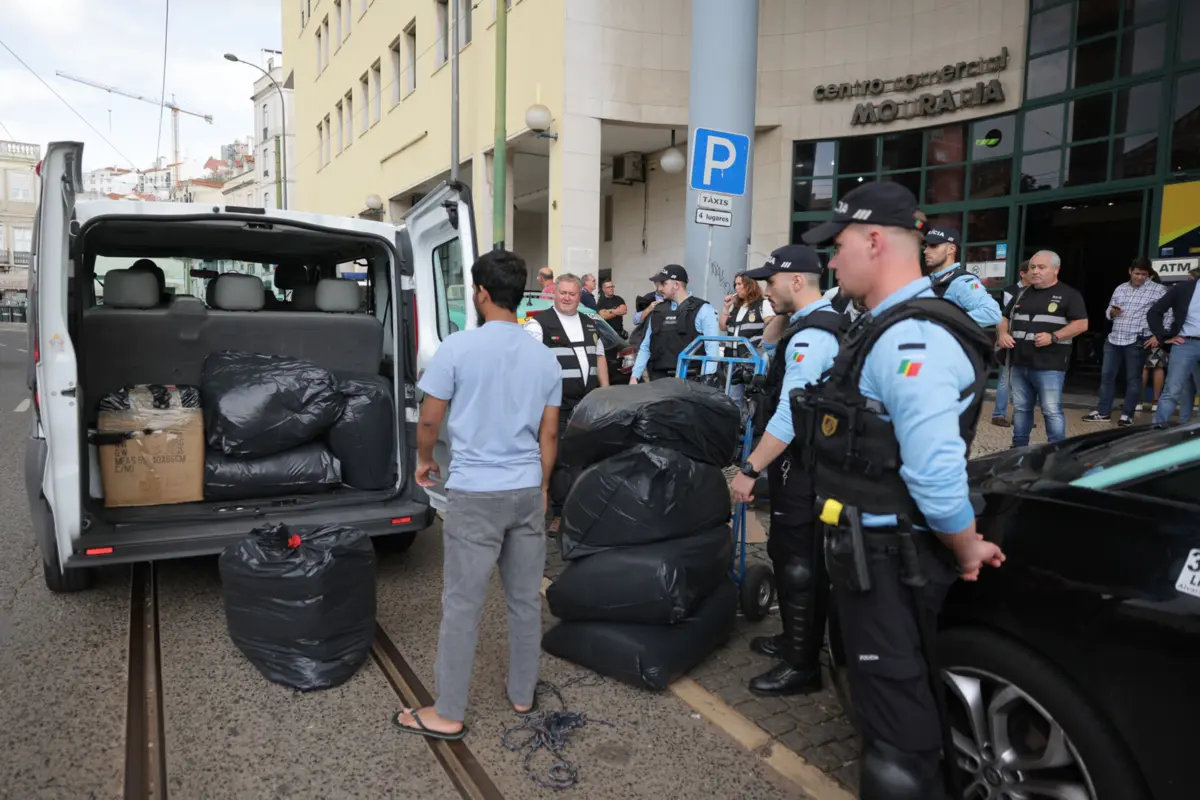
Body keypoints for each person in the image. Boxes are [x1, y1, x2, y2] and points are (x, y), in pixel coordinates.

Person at [797, 182, 1005, 798]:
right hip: (873, 555)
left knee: (897, 741)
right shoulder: (883, 327)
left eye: (837, 247)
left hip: (893, 562)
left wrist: (966, 547)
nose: (832, 262)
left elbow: (935, 473)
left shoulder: (914, 338)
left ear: (875, 240)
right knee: (891, 707)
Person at [396, 249, 562, 741]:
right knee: (525, 600)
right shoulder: (544, 356)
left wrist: (426, 460)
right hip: (526, 490)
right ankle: (522, 693)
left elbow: (430, 418)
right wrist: (544, 486)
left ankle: (448, 711)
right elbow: (549, 437)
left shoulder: (458, 348)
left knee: (463, 604)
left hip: (474, 494)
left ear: (481, 293)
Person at [729, 245, 843, 697]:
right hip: (798, 464)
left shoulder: (815, 336)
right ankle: (795, 640)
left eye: (772, 282)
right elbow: (767, 344)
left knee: (800, 563)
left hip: (806, 465)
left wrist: (749, 469)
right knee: (785, 550)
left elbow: (790, 417)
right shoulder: (809, 322)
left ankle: (803, 665)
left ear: (797, 280)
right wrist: (785, 308)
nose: (765, 290)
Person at [995, 250, 1088, 447]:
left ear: (1056, 270)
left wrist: (1054, 337)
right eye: (1032, 267)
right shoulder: (1021, 294)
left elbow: (1081, 324)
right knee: (1021, 409)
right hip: (1020, 362)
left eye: (1041, 267)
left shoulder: (1069, 295)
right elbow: (1003, 317)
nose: (1035, 271)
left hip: (1050, 364)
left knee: (1051, 410)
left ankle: (1057, 451)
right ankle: (1018, 448)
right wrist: (1003, 334)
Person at [1082, 257, 1165, 427]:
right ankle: (1103, 412)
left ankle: (1127, 415)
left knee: (1133, 378)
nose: (1140, 277)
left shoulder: (1159, 290)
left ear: (1149, 274)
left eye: (1144, 274)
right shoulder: (1120, 288)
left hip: (1137, 339)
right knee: (1107, 376)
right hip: (1114, 338)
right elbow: (1108, 311)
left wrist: (1158, 336)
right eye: (1137, 273)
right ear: (1130, 271)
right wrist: (1112, 312)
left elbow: (1168, 314)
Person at [525, 273, 609, 426]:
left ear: (579, 296)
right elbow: (527, 367)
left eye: (572, 294)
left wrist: (605, 392)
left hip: (588, 407)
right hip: (555, 409)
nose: (567, 298)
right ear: (555, 294)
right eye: (563, 293)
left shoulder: (590, 323)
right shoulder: (538, 324)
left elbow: (599, 357)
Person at [629, 265, 721, 382]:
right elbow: (646, 346)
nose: (659, 288)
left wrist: (708, 379)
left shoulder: (703, 309)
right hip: (659, 380)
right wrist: (635, 376)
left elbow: (712, 348)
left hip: (690, 381)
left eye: (664, 283)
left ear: (676, 285)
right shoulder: (657, 311)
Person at [1147, 270, 1200, 424]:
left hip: (1185, 345)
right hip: (1185, 343)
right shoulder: (1183, 288)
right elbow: (1154, 312)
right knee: (1172, 391)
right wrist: (1164, 337)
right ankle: (1157, 430)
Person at [922, 226, 1002, 327]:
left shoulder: (961, 281)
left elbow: (991, 313)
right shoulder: (929, 280)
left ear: (951, 249)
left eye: (933, 246)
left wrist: (946, 322)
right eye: (926, 246)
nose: (926, 251)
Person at [990, 260, 1031, 428]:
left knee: (1024, 378)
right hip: (1011, 338)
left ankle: (1019, 416)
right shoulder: (1010, 291)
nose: (1037, 273)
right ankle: (998, 414)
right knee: (1006, 378)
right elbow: (1009, 313)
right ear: (1022, 273)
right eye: (1033, 269)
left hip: (1029, 339)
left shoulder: (1038, 291)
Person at [719, 271, 776, 355]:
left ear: (750, 285)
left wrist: (764, 343)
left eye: (739, 284)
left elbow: (773, 325)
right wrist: (726, 307)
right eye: (735, 285)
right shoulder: (734, 306)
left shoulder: (762, 304)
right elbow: (722, 327)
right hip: (730, 357)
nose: (736, 288)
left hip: (751, 358)